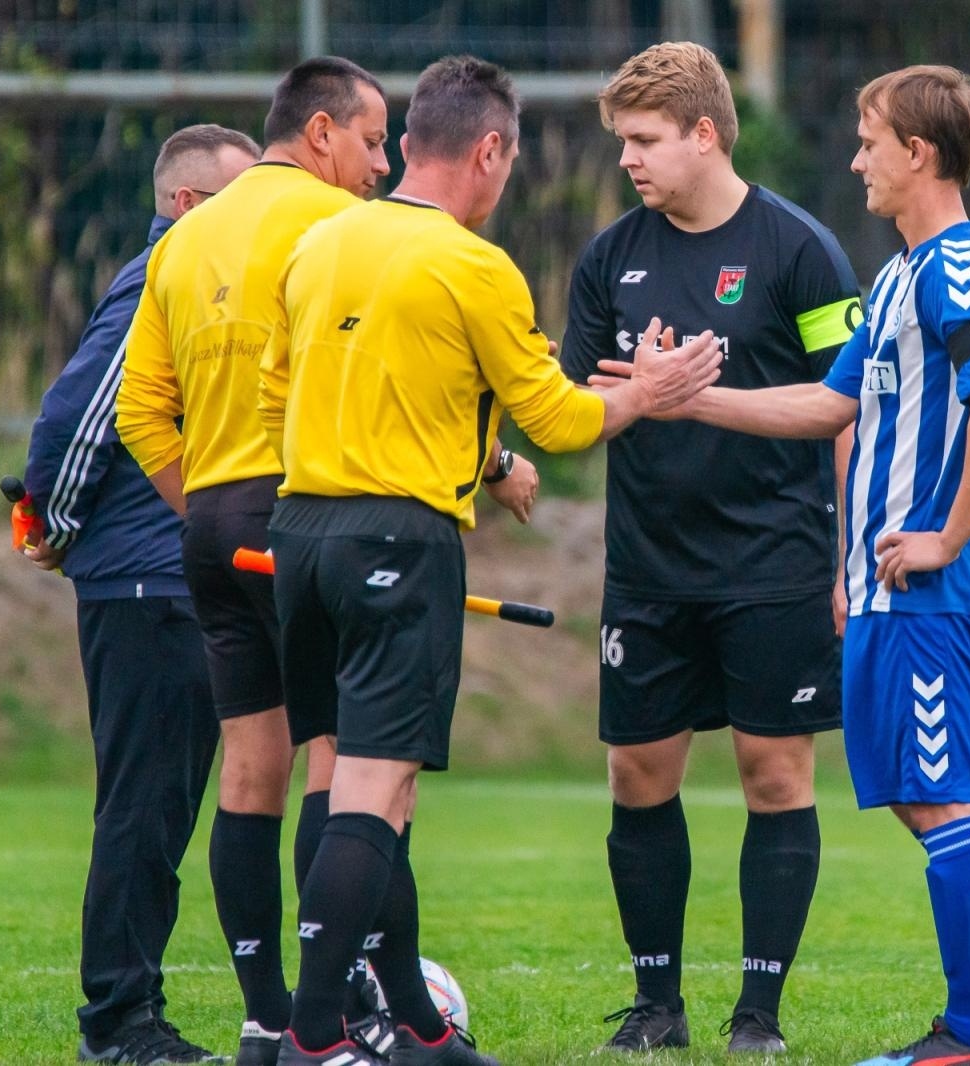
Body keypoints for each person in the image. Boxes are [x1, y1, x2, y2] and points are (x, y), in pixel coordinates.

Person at [591, 64, 970, 1066]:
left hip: (927, 583)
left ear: (916, 153)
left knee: (938, 795)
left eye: (867, 139)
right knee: (911, 793)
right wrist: (682, 398)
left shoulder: (956, 272)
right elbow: (822, 404)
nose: (854, 159)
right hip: (889, 587)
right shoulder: (898, 275)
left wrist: (944, 537)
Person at [258, 55, 723, 1066]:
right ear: (490, 150)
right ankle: (313, 1035)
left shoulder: (321, 240)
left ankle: (419, 1029)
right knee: (371, 793)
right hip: (398, 539)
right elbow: (559, 419)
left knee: (349, 781)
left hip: (297, 535)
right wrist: (651, 389)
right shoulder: (473, 264)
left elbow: (280, 387)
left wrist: (471, 452)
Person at [557, 41, 863, 1054]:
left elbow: (845, 403)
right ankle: (656, 1006)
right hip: (646, 567)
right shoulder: (610, 258)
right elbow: (575, 403)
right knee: (636, 775)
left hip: (774, 562)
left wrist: (850, 551)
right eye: (621, 143)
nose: (629, 161)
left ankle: (758, 1016)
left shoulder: (802, 250)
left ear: (704, 132)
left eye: (644, 140)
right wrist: (635, 392)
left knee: (774, 777)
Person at [114, 57, 393, 1066]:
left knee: (249, 767)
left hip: (212, 523)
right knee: (341, 760)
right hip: (306, 511)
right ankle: (328, 1019)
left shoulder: (184, 238)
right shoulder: (336, 229)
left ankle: (263, 1014)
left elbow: (139, 408)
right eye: (370, 141)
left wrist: (211, 512)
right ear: (319, 133)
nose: (379, 165)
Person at [21, 123, 259, 1064]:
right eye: (243, 203)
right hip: (143, 581)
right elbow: (77, 419)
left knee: (167, 805)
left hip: (179, 575)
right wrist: (56, 526)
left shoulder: (209, 286)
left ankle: (136, 1012)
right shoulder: (161, 279)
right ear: (189, 206)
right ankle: (118, 1023)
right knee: (144, 806)